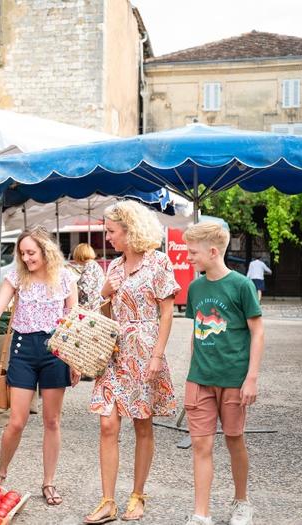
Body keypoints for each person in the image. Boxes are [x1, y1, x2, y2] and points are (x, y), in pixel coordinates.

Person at [0, 226, 79, 505]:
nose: (26, 258)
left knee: (52, 421)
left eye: (31, 252)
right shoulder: (16, 278)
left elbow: (73, 321)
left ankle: (49, 482)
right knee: (16, 421)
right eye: (22, 253)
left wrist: (74, 361)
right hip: (23, 351)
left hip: (56, 351)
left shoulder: (66, 278)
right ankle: (0, 474)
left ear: (46, 250)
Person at [85, 201, 179, 524]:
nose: (107, 237)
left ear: (130, 230)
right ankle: (107, 501)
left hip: (144, 351)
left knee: (142, 424)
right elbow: (104, 314)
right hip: (114, 352)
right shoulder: (113, 267)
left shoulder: (158, 262)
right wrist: (104, 293)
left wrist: (157, 355)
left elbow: (167, 313)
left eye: (111, 231)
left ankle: (137, 494)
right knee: (107, 424)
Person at [181, 222, 264, 525]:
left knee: (234, 439)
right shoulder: (195, 288)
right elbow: (196, 331)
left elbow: (257, 332)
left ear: (213, 252)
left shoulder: (241, 286)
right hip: (200, 379)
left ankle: (242, 502)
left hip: (233, 379)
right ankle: (201, 514)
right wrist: (193, 370)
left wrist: (251, 378)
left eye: (193, 252)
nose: (188, 257)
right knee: (201, 445)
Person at [72, 242, 105, 311]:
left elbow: (83, 288)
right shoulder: (95, 265)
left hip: (89, 305)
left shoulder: (88, 267)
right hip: (96, 303)